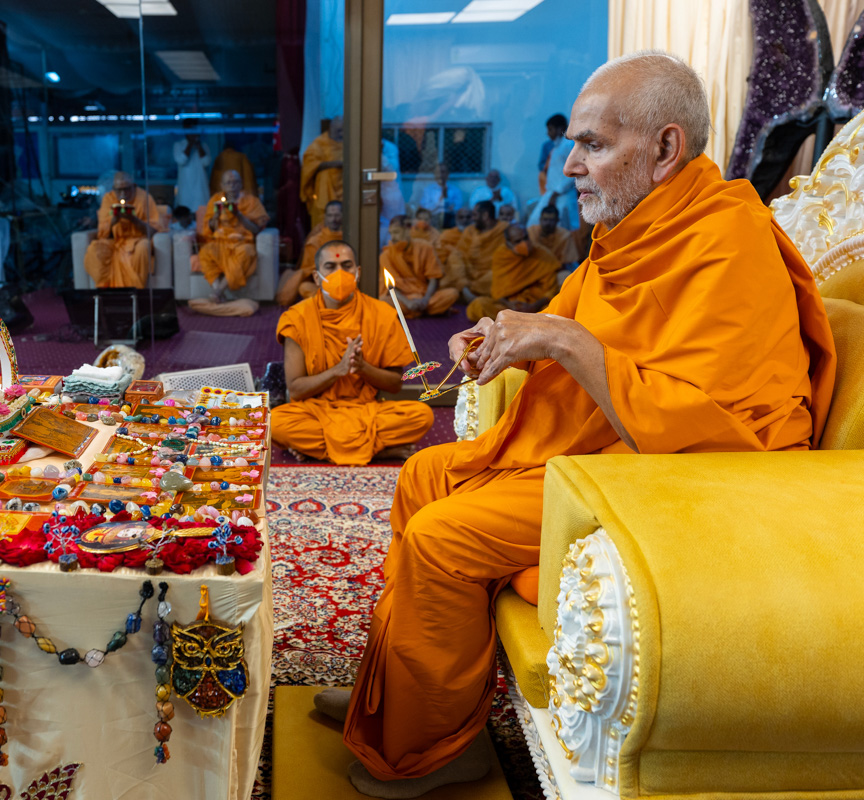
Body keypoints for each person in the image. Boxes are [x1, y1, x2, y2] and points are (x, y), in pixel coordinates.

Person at [312, 51, 834, 799]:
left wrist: (562, 343)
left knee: (442, 538)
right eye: (574, 144)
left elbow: (712, 425)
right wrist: (501, 336)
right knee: (425, 472)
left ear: (665, 148)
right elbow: (568, 319)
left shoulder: (727, 240)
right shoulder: (640, 226)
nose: (569, 166)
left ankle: (434, 748)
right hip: (617, 443)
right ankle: (403, 692)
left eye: (592, 144)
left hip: (681, 478)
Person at [273, 240, 434, 465]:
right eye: (330, 266)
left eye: (346, 266)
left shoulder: (381, 314)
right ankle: (379, 452)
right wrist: (337, 371)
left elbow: (395, 384)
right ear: (317, 277)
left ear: (357, 273)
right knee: (276, 423)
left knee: (422, 415)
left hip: (368, 409)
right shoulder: (297, 318)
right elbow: (296, 390)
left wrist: (362, 367)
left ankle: (316, 451)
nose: (340, 273)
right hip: (316, 410)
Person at [83, 172, 166, 288]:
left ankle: (136, 290)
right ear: (113, 189)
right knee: (94, 250)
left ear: (134, 186)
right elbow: (102, 232)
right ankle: (105, 290)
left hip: (137, 241)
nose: (123, 194)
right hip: (115, 242)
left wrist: (134, 219)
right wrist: (114, 220)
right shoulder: (108, 198)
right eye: (119, 190)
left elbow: (155, 229)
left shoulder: (144, 198)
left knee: (143, 247)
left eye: (126, 189)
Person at [197, 170, 270, 301]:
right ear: (222, 185)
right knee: (205, 252)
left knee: (246, 252)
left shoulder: (251, 202)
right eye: (228, 183)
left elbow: (256, 229)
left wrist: (239, 215)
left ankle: (218, 292)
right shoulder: (215, 200)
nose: (232, 186)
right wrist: (216, 215)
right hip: (221, 242)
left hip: (242, 242)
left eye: (235, 182)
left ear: (241, 184)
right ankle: (219, 291)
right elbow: (210, 229)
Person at [464, 223, 559, 322]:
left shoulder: (543, 254)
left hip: (535, 305)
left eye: (525, 238)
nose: (524, 243)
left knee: (554, 310)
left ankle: (513, 322)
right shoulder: (501, 255)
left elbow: (551, 291)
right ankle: (522, 321)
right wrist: (508, 305)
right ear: (508, 243)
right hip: (509, 307)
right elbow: (497, 292)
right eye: (518, 241)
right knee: (478, 305)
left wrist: (533, 306)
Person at [379, 215, 459, 318]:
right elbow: (390, 287)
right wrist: (408, 302)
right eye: (391, 233)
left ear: (408, 230)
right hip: (402, 299)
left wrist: (425, 300)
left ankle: (415, 310)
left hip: (424, 297)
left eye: (396, 232)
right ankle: (423, 310)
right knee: (383, 302)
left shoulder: (425, 247)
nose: (393, 238)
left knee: (452, 293)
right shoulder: (386, 255)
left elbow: (434, 278)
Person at [277, 200, 344, 306]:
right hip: (323, 285)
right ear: (325, 217)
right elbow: (307, 269)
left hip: (344, 283)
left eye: (337, 215)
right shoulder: (315, 241)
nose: (333, 219)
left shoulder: (350, 237)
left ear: (343, 216)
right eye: (330, 215)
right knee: (304, 287)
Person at [449, 200, 507, 305]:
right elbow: (459, 253)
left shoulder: (504, 230)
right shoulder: (470, 230)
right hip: (468, 273)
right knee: (454, 257)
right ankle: (465, 290)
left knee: (499, 275)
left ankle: (466, 292)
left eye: (475, 215)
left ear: (485, 215)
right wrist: (463, 280)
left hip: (488, 275)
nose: (472, 218)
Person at [527, 113, 579, 229]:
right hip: (552, 194)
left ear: (560, 129)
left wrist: (556, 193)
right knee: (534, 225)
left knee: (563, 229)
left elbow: (573, 172)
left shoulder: (569, 145)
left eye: (550, 129)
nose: (548, 133)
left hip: (563, 195)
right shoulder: (555, 149)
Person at [301, 116, 344, 227]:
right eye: (338, 130)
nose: (341, 134)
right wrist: (335, 164)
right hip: (324, 193)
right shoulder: (319, 144)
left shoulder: (350, 144)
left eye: (343, 130)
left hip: (344, 190)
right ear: (330, 129)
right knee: (322, 224)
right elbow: (309, 165)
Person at [528, 204, 580, 276]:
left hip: (556, 270)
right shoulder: (531, 231)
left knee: (565, 275)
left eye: (551, 220)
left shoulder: (565, 235)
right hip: (535, 269)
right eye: (545, 219)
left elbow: (565, 263)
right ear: (540, 219)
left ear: (557, 220)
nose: (548, 223)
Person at [173, 123, 211, 213]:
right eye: (191, 131)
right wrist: (190, 144)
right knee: (185, 213)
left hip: (201, 190)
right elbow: (181, 160)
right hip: (185, 190)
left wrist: (198, 146)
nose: (193, 134)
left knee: (202, 213)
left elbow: (206, 162)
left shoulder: (203, 146)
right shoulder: (178, 145)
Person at [417, 162, 464, 228]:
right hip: (433, 218)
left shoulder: (455, 190)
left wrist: (445, 199)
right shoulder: (428, 190)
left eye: (443, 172)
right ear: (434, 174)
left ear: (448, 174)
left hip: (450, 218)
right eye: (438, 172)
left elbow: (457, 209)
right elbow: (426, 209)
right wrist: (441, 198)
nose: (440, 175)